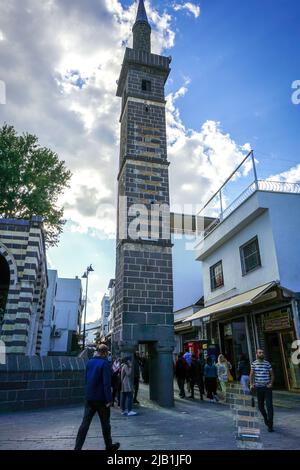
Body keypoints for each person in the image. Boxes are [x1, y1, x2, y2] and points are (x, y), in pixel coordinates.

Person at [74, 344, 120, 451]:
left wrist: (87, 394)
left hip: (89, 398)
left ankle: (77, 447)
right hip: (101, 399)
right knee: (105, 424)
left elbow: (86, 379)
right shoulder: (105, 364)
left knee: (85, 424)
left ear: (97, 351)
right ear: (105, 352)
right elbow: (106, 383)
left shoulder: (89, 362)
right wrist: (109, 399)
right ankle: (108, 446)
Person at [250, 348, 275, 432]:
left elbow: (272, 375)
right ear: (256, 354)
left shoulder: (267, 364)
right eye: (260, 353)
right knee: (260, 406)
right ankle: (265, 418)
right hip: (258, 388)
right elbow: (251, 375)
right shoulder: (254, 364)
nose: (261, 354)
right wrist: (251, 384)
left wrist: (271, 383)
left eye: (262, 353)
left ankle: (270, 425)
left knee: (269, 406)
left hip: (267, 388)